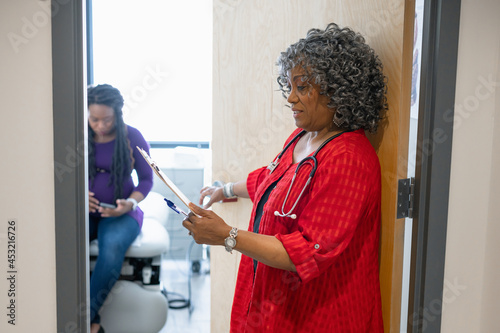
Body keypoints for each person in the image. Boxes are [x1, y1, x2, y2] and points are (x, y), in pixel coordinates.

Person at [183, 23, 387, 332]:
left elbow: (309, 250)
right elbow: (271, 180)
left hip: (320, 314)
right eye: (289, 86)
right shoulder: (303, 136)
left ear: (338, 89)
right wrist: (225, 190)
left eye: (302, 87)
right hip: (276, 304)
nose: (290, 98)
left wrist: (227, 235)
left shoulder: (349, 158)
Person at [87, 84, 153, 333]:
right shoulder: (78, 134)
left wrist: (131, 203)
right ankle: (92, 325)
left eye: (107, 119)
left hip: (122, 213)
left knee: (112, 248)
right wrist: (81, 198)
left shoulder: (132, 137)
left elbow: (147, 179)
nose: (100, 126)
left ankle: (82, 321)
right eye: (94, 119)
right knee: (63, 246)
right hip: (87, 212)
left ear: (118, 113)